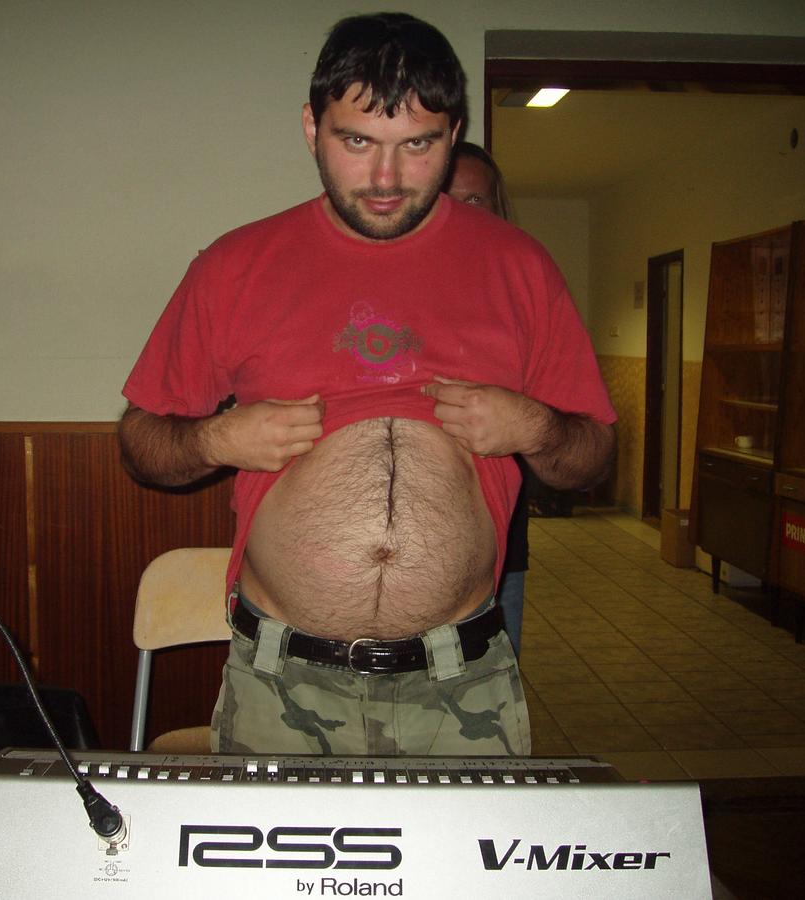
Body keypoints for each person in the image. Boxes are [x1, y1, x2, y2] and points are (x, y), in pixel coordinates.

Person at [117, 12, 616, 757]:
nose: (386, 179)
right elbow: (140, 443)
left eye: (417, 144)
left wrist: (536, 428)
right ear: (312, 129)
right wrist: (217, 439)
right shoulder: (234, 265)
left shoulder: (521, 267)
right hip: (281, 678)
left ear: (453, 136)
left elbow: (593, 458)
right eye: (357, 142)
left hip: (463, 680)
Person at [444, 141, 528, 654]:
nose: (460, 215)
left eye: (475, 200)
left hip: (498, 550)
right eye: (447, 199)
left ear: (497, 210)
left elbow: (574, 429)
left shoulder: (522, 295)